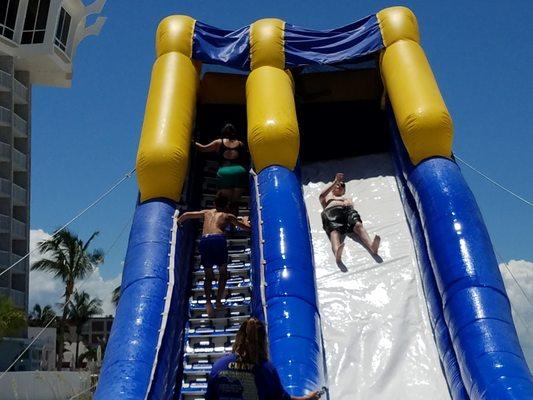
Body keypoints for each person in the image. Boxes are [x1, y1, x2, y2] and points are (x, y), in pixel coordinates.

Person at [205, 317, 322, 400]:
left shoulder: (219, 366)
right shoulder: (266, 370)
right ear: (263, 341)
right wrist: (307, 398)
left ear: (238, 337)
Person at [176, 193, 251, 318]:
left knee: (208, 275)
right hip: (218, 239)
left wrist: (178, 222)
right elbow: (246, 228)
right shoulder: (228, 215)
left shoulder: (207, 212)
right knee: (222, 272)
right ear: (227, 205)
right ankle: (218, 301)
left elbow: (186, 215)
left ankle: (208, 302)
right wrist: (244, 220)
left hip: (205, 240)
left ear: (214, 204)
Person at [319, 173, 380, 263]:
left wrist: (347, 203)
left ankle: (372, 247)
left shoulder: (347, 199)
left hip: (347, 212)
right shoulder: (329, 197)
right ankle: (337, 253)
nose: (339, 185)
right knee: (335, 231)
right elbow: (321, 196)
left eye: (342, 185)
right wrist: (335, 181)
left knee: (358, 225)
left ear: (343, 191)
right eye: (337, 185)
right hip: (333, 212)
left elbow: (351, 207)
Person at [196, 123, 248, 216]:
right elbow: (245, 158)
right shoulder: (240, 144)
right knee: (235, 202)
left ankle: (221, 223)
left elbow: (202, 149)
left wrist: (192, 141)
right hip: (240, 170)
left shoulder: (219, 142)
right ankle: (234, 224)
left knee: (222, 202)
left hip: (225, 171)